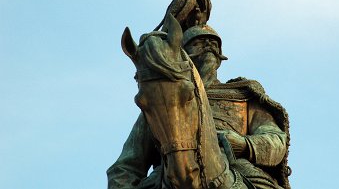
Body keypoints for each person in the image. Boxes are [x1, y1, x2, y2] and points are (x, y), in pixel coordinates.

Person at [107, 25, 291, 189]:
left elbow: (276, 140)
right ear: (184, 55)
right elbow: (126, 166)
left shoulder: (243, 94)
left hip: (238, 166)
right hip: (167, 173)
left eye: (213, 43)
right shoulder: (163, 104)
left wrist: (243, 144)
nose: (208, 46)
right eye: (199, 42)